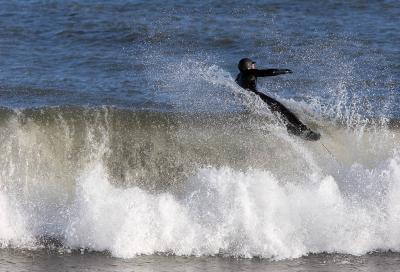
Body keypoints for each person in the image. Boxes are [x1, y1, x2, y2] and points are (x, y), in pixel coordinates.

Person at [235, 58, 320, 141]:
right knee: (283, 110)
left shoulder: (238, 77)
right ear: (249, 66)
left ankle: (293, 130)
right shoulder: (250, 72)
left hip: (252, 100)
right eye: (253, 64)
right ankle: (304, 130)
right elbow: (268, 72)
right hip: (258, 97)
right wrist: (284, 71)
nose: (254, 66)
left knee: (277, 114)